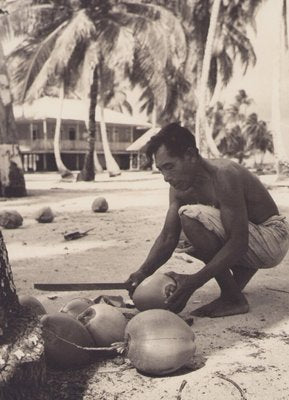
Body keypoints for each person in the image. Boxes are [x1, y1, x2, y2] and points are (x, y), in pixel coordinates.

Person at [126, 122, 289, 317]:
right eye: (161, 170)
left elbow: (239, 243)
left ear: (190, 155)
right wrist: (143, 272)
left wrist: (193, 282)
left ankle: (233, 299)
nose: (166, 177)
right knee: (180, 234)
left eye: (169, 167)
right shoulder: (179, 188)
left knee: (190, 218)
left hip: (273, 238)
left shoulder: (224, 174)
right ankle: (239, 276)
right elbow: (168, 238)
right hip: (248, 237)